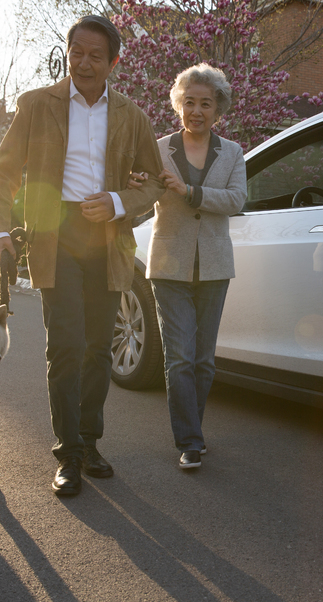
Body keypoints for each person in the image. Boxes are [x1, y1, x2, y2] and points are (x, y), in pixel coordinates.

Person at [0, 15, 164, 496]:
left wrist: (119, 201)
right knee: (65, 345)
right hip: (55, 235)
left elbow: (154, 181)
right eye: (76, 52)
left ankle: (89, 442)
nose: (83, 63)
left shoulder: (132, 115)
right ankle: (67, 453)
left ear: (114, 62)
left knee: (98, 348)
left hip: (107, 237)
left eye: (95, 56)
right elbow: (2, 173)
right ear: (67, 53)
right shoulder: (36, 105)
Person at [138, 63, 247, 469]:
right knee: (179, 357)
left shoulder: (232, 152)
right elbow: (144, 192)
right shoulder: (158, 148)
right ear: (178, 105)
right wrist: (136, 185)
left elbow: (236, 200)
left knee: (203, 361)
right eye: (189, 102)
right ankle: (189, 441)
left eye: (205, 103)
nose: (196, 111)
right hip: (169, 265)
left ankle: (193, 432)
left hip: (214, 266)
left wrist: (189, 191)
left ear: (218, 108)